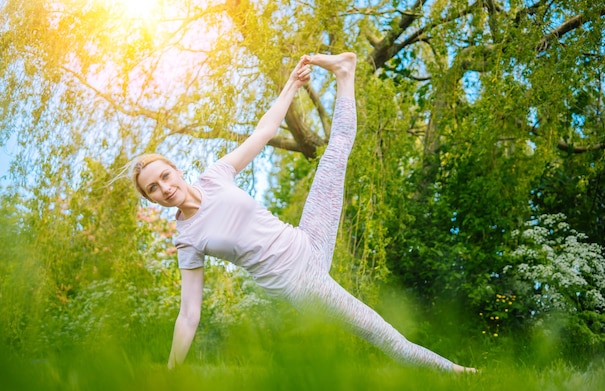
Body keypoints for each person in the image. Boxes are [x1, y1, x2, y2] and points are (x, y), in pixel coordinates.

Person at [131, 53, 475, 373]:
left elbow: (263, 132)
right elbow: (189, 314)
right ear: (152, 199)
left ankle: (344, 71)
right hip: (299, 284)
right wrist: (171, 371)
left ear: (175, 170)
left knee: (335, 152)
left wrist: (292, 84)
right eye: (153, 189)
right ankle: (460, 374)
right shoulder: (187, 239)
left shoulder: (215, 175)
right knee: (381, 333)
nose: (164, 188)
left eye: (164, 176)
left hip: (308, 237)